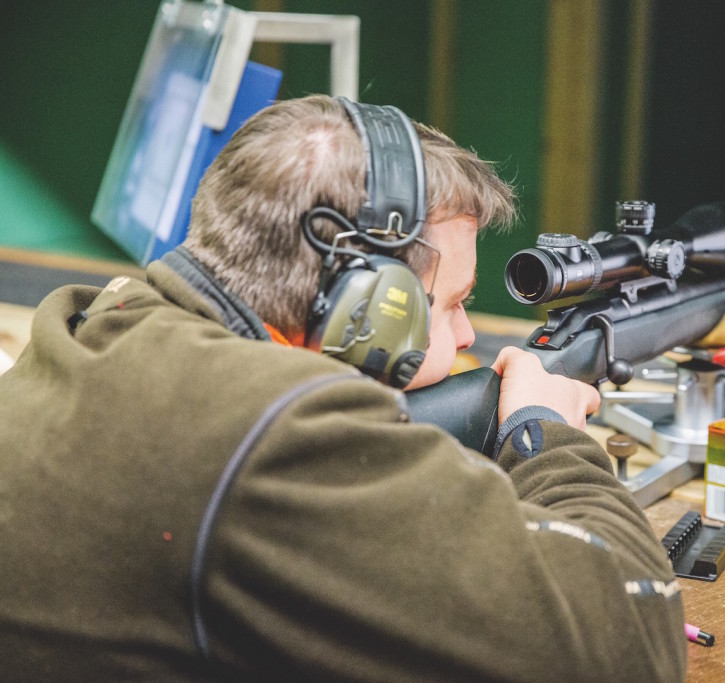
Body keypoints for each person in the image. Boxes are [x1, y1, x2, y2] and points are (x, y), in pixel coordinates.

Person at [0, 95, 687, 680]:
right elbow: (631, 641)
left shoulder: (103, 323)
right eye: (450, 303)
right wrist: (547, 435)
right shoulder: (271, 433)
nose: (469, 334)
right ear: (369, 308)